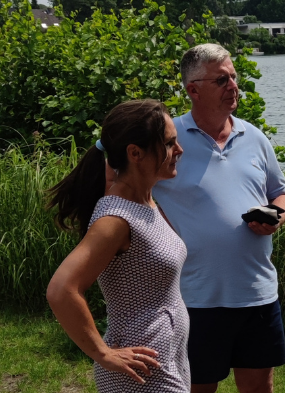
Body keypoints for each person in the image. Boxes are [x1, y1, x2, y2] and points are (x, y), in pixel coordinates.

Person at [151, 43, 285, 393]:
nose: (233, 85)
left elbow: (282, 193)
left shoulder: (254, 137)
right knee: (199, 387)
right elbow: (131, 186)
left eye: (233, 77)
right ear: (193, 90)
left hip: (257, 292)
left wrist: (277, 216)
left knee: (259, 387)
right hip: (195, 296)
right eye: (222, 80)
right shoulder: (169, 139)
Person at [46, 99, 188, 392]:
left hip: (165, 361)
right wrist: (102, 353)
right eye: (170, 143)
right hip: (139, 371)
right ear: (135, 153)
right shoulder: (116, 219)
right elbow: (61, 290)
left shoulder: (143, 201)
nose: (180, 150)